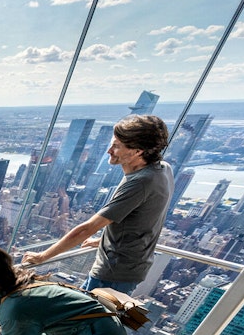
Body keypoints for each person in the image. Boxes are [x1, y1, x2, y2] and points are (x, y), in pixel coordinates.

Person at [22, 114, 173, 294]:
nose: (109, 150)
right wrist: (106, 240)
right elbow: (144, 217)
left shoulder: (141, 182)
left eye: (116, 146)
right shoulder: (162, 168)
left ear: (137, 151)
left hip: (113, 273)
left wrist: (43, 256)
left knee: (83, 320)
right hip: (129, 267)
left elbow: (87, 228)